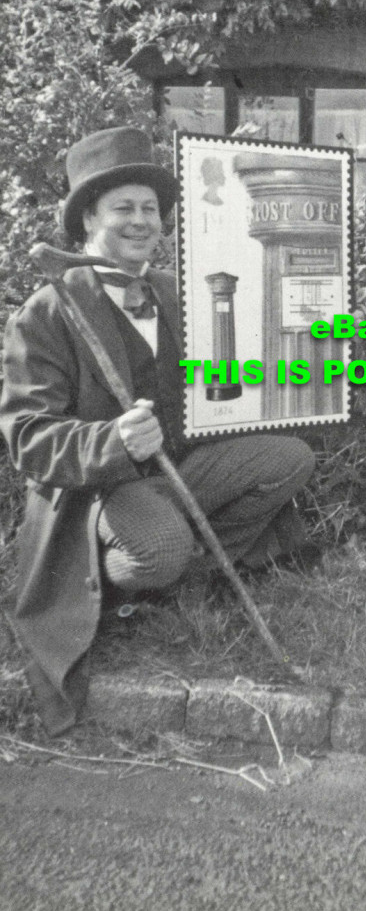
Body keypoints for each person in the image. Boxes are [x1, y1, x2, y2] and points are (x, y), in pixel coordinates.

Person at [0, 126, 316, 734]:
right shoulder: (46, 313)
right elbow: (29, 439)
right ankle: (127, 582)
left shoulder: (177, 293)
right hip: (97, 492)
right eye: (123, 208)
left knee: (289, 457)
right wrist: (111, 439)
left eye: (150, 208)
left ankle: (189, 561)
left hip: (176, 469)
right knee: (160, 549)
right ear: (88, 217)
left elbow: (227, 368)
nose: (141, 221)